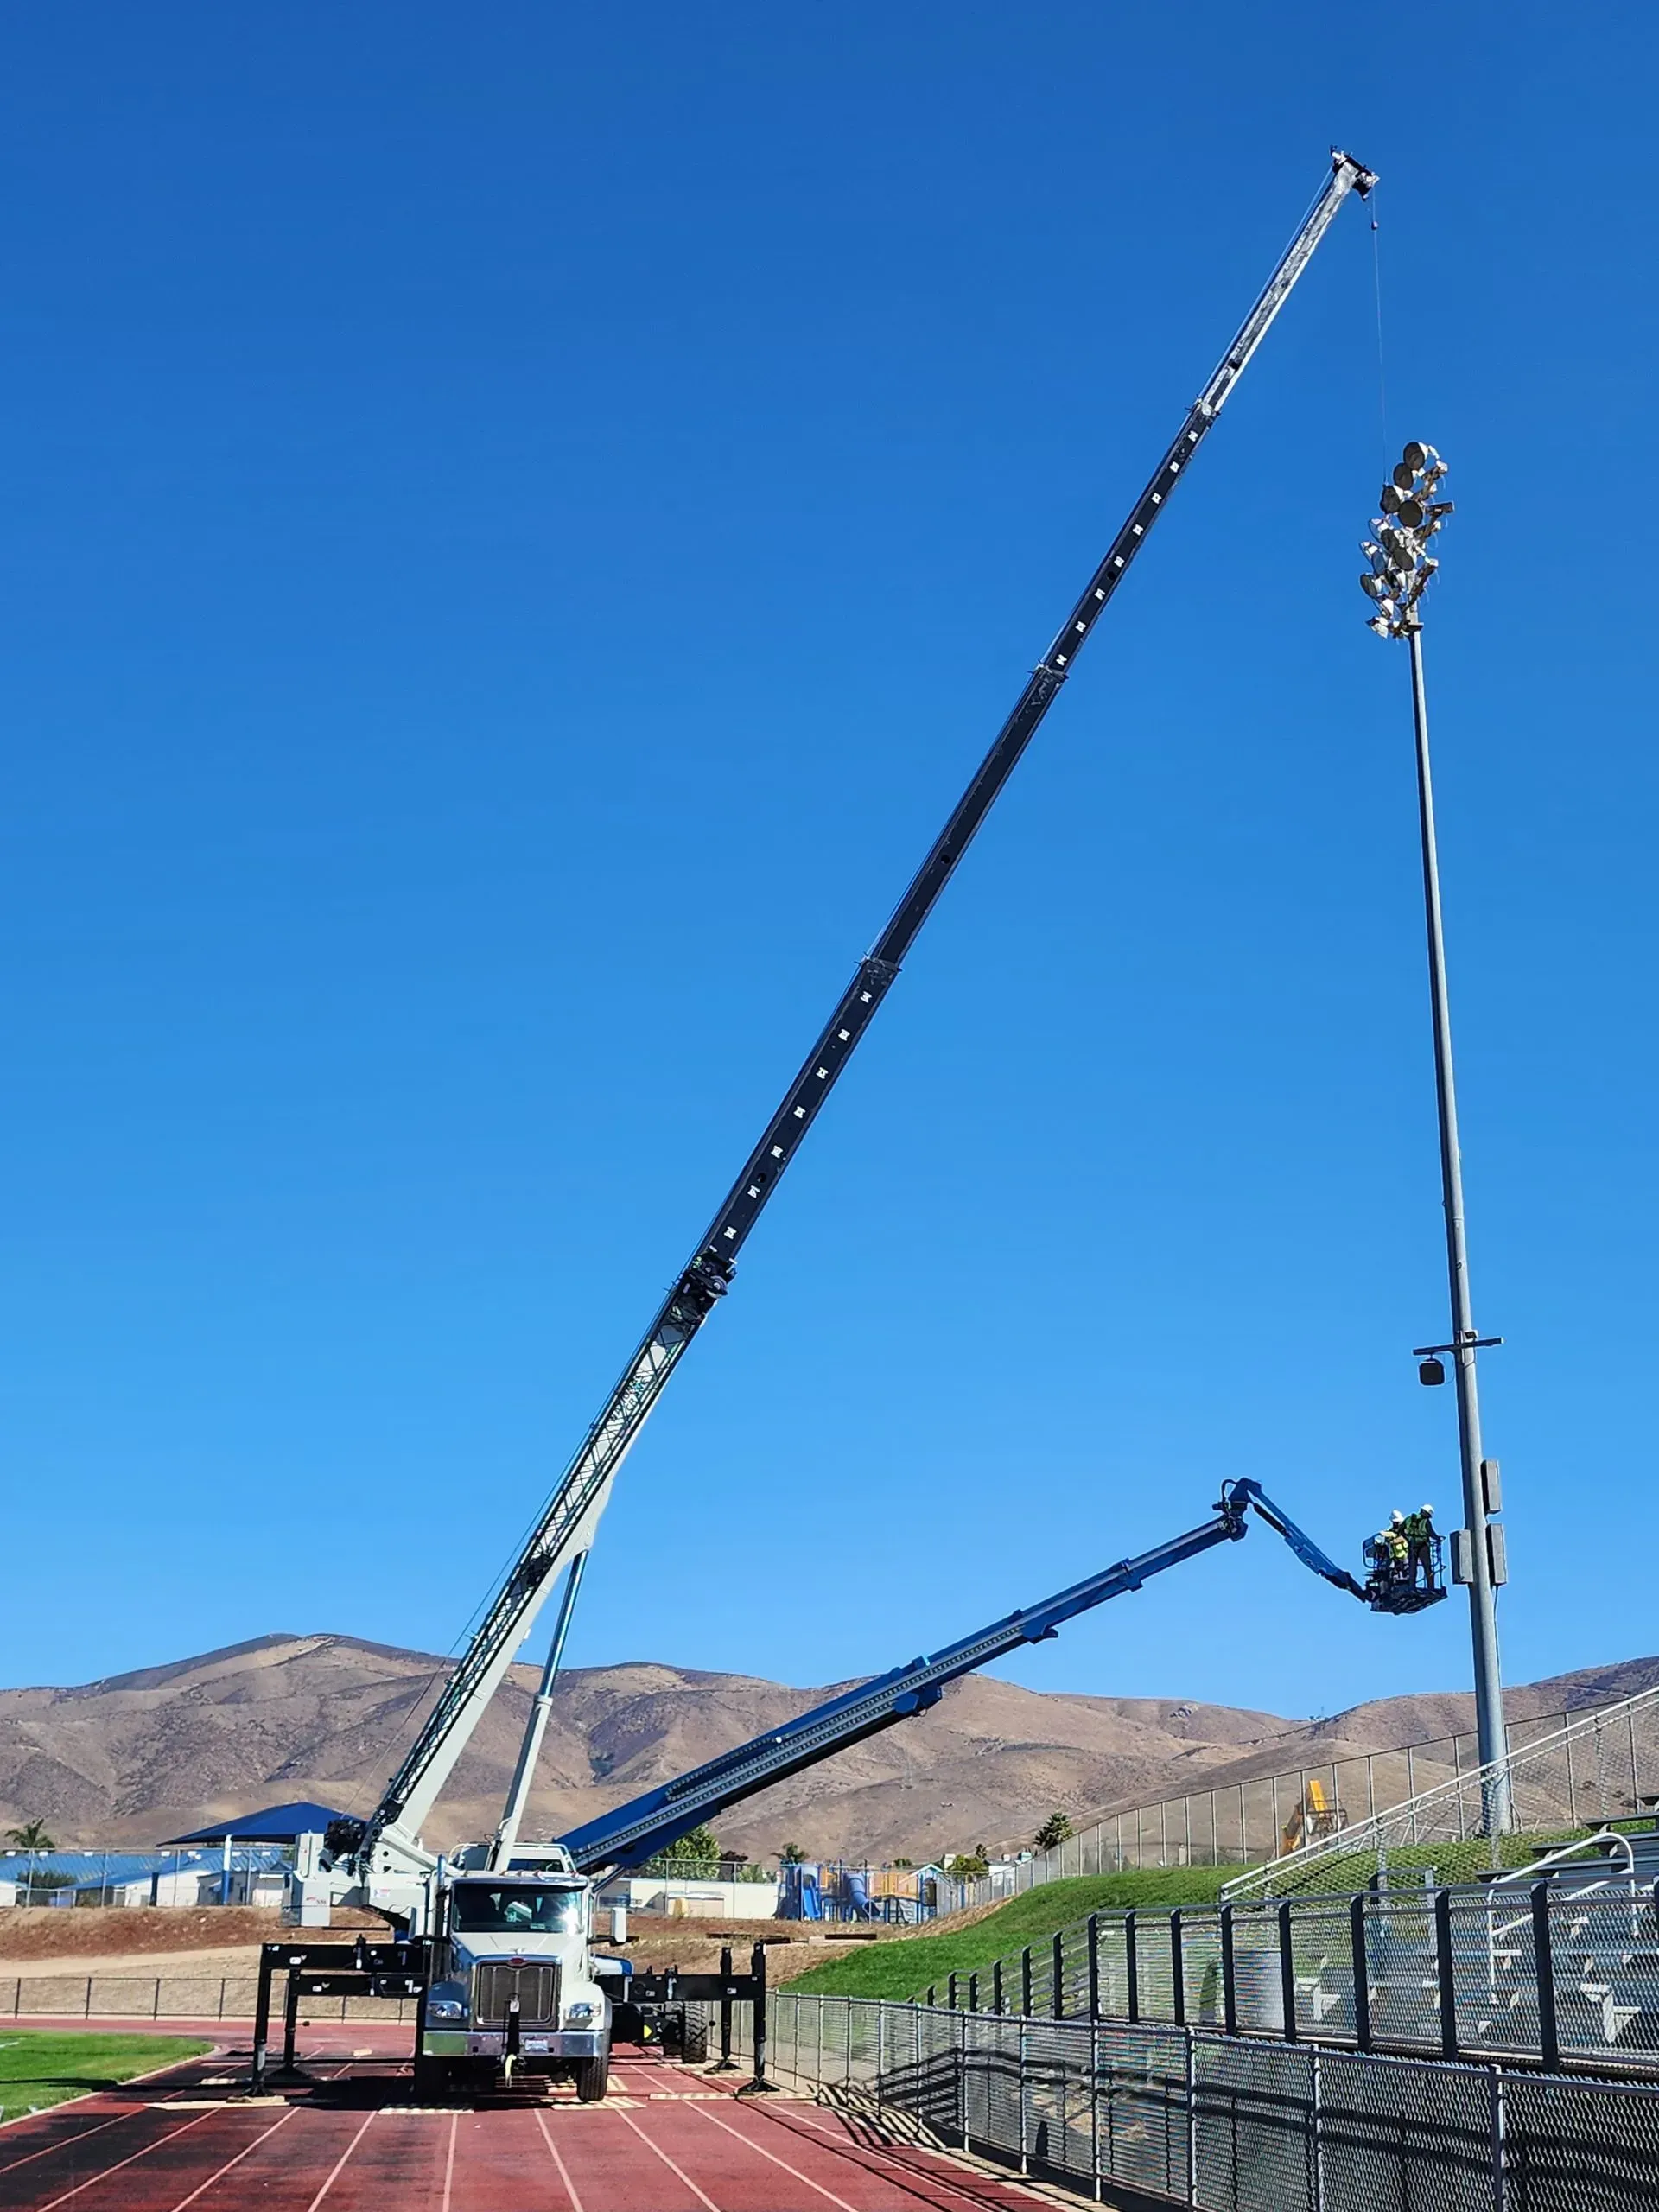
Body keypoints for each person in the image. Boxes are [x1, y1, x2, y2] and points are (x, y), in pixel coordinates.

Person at [1402, 1504, 1438, 1589]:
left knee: (1413, 1567)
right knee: (1427, 1566)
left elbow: (1401, 1530)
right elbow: (1431, 1533)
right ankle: (1430, 1587)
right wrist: (1438, 1538)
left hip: (1412, 1546)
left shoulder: (1409, 1519)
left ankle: (1412, 1586)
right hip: (1423, 1546)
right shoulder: (1426, 1522)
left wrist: (1408, 1539)